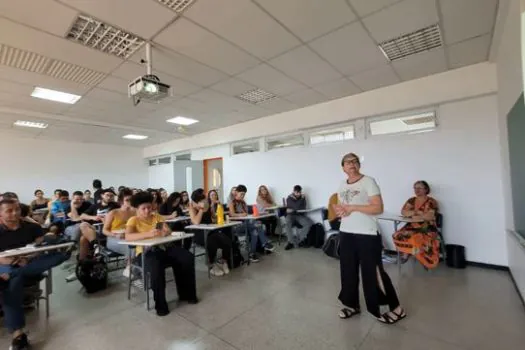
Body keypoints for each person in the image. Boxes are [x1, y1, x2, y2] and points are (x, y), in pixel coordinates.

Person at [335, 153, 405, 324]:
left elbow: (378, 208)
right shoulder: (341, 185)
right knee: (348, 270)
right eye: (347, 162)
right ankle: (351, 305)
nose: (351, 164)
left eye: (354, 161)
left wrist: (353, 207)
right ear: (343, 167)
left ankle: (395, 308)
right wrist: (341, 211)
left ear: (359, 165)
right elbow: (344, 208)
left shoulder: (369, 181)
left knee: (373, 273)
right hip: (346, 232)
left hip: (367, 233)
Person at [0, 199, 69, 349]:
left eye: (17, 209)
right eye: (9, 211)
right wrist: (4, 260)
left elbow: (41, 247)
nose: (15, 213)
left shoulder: (32, 227)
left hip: (30, 266)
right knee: (13, 281)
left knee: (61, 254)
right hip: (5, 267)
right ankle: (18, 335)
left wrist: (29, 257)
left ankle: (8, 278)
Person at [125, 192, 197, 316]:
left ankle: (187, 294)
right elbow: (128, 236)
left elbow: (167, 230)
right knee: (156, 268)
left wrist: (165, 232)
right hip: (146, 253)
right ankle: (160, 304)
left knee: (187, 257)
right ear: (137, 209)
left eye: (149, 207)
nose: (147, 211)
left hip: (164, 248)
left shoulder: (156, 217)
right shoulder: (133, 220)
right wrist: (148, 234)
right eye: (143, 208)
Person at [392, 181, 440, 269]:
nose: (416, 190)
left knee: (414, 236)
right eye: (415, 188)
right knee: (397, 234)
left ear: (426, 189)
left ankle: (419, 257)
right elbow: (404, 212)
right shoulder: (411, 200)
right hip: (411, 226)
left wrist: (413, 215)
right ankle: (406, 254)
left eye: (419, 188)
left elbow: (429, 216)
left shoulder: (431, 201)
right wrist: (417, 212)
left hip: (427, 227)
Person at [190, 189, 232, 276]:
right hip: (199, 233)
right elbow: (196, 222)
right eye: (204, 194)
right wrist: (201, 209)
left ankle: (223, 261)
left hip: (211, 230)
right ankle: (212, 265)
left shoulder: (208, 203)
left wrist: (216, 210)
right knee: (212, 241)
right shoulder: (192, 206)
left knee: (226, 239)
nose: (206, 196)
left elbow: (213, 218)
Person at [228, 184, 274, 263]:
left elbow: (246, 214)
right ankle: (265, 243)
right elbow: (232, 215)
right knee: (257, 224)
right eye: (241, 194)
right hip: (236, 226)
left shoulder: (243, 203)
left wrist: (247, 214)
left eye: (244, 194)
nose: (242, 196)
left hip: (246, 224)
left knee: (255, 231)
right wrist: (241, 215)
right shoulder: (232, 202)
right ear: (236, 193)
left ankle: (252, 253)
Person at [76, 188, 120, 261]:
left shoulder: (116, 206)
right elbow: (82, 216)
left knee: (83, 239)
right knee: (83, 224)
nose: (109, 197)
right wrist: (93, 217)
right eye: (107, 195)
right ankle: (96, 245)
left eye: (111, 196)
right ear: (102, 195)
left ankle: (83, 261)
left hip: (108, 229)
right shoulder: (95, 206)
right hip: (95, 229)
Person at [103, 188, 135, 277]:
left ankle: (137, 267)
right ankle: (128, 268)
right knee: (131, 246)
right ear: (121, 201)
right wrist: (115, 235)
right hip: (114, 238)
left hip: (130, 236)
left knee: (140, 246)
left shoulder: (135, 211)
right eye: (127, 200)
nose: (129, 202)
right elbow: (104, 230)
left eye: (131, 200)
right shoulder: (113, 212)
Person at [284, 185, 313, 250]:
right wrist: (300, 201)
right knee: (287, 222)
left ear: (300, 191)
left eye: (299, 192)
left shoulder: (303, 197)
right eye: (296, 192)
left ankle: (296, 241)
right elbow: (296, 207)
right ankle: (290, 242)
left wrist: (295, 207)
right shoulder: (289, 198)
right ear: (293, 191)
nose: (298, 194)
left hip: (299, 215)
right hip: (290, 215)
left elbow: (303, 207)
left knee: (308, 223)